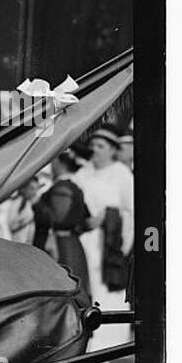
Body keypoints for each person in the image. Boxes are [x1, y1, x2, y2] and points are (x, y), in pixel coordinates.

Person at [73, 126, 134, 350]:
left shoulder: (121, 174)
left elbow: (132, 210)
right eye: (93, 146)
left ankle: (111, 345)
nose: (95, 150)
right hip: (84, 241)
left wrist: (108, 218)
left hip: (110, 243)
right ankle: (88, 345)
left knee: (108, 291)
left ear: (112, 150)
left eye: (101, 146)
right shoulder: (83, 173)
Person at [32, 150, 91, 296]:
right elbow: (86, 220)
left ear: (59, 162)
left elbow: (58, 217)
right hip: (71, 244)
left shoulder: (62, 187)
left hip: (61, 248)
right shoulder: (73, 187)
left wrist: (35, 203)